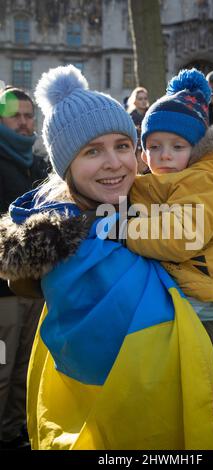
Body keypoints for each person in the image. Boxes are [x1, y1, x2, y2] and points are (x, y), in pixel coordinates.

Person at [0, 66, 213, 450]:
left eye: (123, 146)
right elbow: (153, 367)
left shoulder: (121, 209)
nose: (115, 163)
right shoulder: (90, 243)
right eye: (92, 151)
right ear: (65, 165)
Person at [125, 69, 213, 450]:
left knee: (173, 369)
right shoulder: (169, 179)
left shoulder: (204, 180)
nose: (164, 156)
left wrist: (123, 229)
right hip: (204, 291)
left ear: (197, 148)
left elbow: (181, 236)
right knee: (208, 391)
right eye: (154, 146)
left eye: (177, 146)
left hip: (212, 294)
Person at [0, 87, 47, 449]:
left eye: (29, 115)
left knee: (25, 370)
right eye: (14, 114)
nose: (24, 121)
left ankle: (15, 432)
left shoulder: (36, 164)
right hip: (1, 296)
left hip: (34, 289)